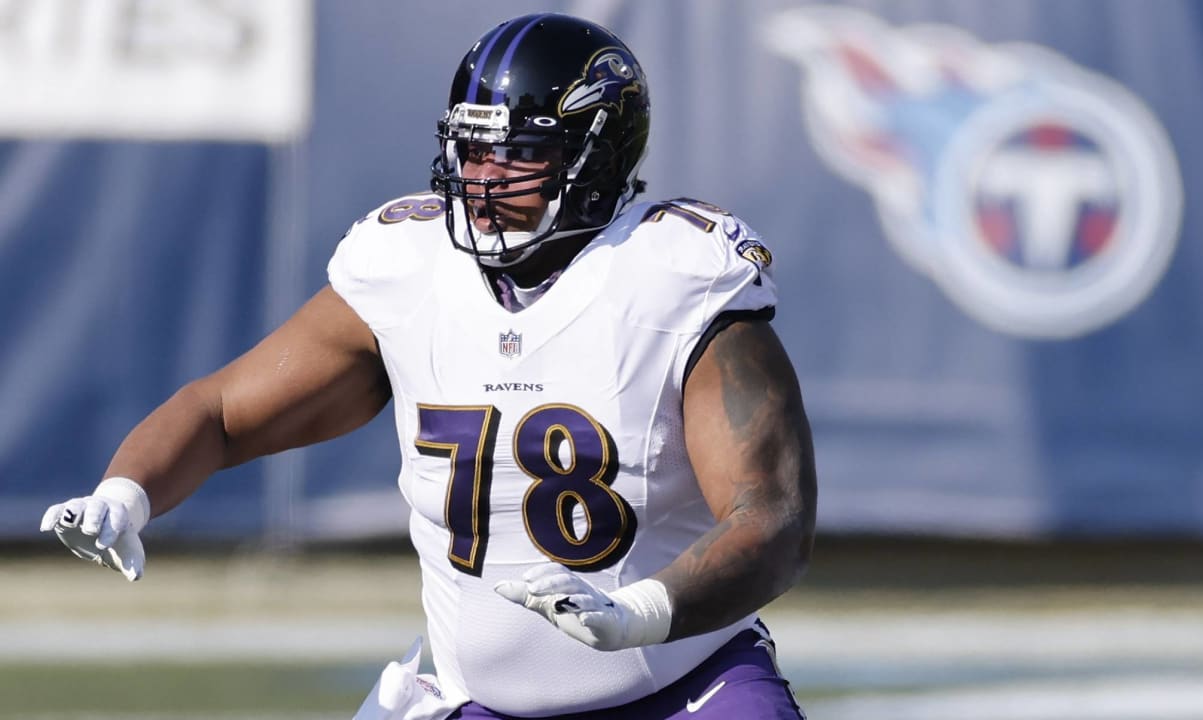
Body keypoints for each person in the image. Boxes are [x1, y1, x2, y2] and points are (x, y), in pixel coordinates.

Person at [40, 12, 817, 720]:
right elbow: (221, 413)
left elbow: (772, 518)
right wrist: (126, 493)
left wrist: (636, 614)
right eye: (473, 151)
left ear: (598, 158)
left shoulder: (674, 275)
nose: (483, 181)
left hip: (686, 690)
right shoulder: (408, 266)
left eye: (518, 155)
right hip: (482, 705)